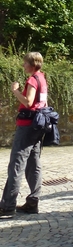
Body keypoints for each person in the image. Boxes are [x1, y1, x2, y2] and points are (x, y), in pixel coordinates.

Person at [0, 52, 48, 219]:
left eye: (25, 63)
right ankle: (33, 201)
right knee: (33, 163)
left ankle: (7, 206)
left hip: (27, 125)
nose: (23, 65)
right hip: (37, 125)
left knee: (17, 163)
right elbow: (44, 103)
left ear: (33, 64)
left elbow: (28, 102)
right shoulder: (42, 78)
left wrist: (15, 91)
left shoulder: (33, 79)